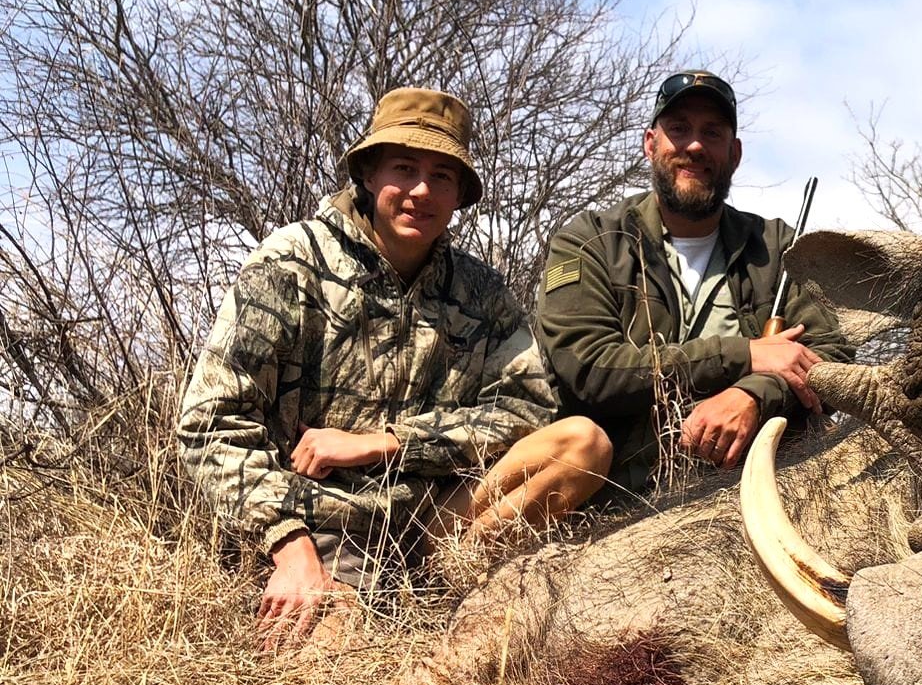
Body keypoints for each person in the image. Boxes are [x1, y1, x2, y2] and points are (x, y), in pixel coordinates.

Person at [177, 87, 611, 651]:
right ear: (369, 173)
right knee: (339, 679)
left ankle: (446, 587)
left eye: (444, 176)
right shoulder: (290, 261)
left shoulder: (480, 289)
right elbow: (211, 424)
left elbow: (528, 408)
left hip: (438, 521)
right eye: (404, 168)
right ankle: (363, 606)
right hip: (323, 527)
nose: (422, 191)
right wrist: (290, 546)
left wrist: (387, 443)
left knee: (583, 443)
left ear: (459, 195)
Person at [536, 69, 850, 497]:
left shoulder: (778, 246)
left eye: (713, 132)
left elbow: (830, 357)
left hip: (754, 493)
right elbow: (588, 369)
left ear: (734, 153)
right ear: (651, 145)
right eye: (679, 129)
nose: (696, 145)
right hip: (615, 500)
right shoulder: (589, 240)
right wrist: (745, 356)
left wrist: (754, 396)